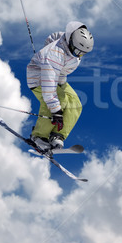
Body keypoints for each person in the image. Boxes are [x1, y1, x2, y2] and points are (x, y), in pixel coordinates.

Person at [26, 21, 94, 150]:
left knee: (75, 103)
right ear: (71, 42)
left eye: (83, 53)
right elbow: (48, 88)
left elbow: (54, 37)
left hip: (58, 78)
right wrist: (56, 111)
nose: (79, 55)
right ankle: (39, 136)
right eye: (77, 51)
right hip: (39, 78)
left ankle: (57, 135)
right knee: (59, 101)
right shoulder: (54, 55)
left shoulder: (69, 42)